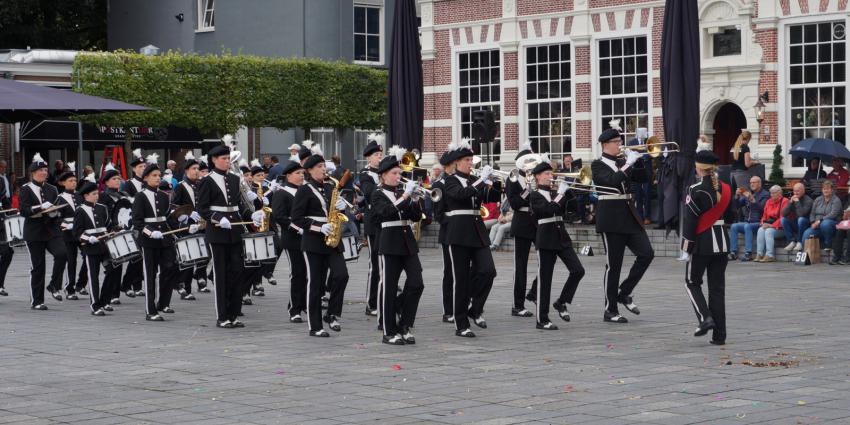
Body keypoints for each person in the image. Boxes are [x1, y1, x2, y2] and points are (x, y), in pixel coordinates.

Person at [196, 139, 262, 329]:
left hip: (234, 230)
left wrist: (252, 215)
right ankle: (222, 316)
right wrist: (217, 218)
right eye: (224, 158)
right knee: (221, 274)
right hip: (217, 232)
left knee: (237, 272)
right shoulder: (206, 181)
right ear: (214, 160)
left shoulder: (234, 179)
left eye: (228, 158)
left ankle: (234, 313)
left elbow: (239, 206)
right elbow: (202, 208)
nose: (227, 161)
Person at [591, 128, 653, 324]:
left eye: (620, 141)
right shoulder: (597, 165)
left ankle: (623, 292)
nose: (620, 144)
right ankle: (610, 310)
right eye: (616, 141)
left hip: (629, 216)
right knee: (614, 266)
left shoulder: (621, 162)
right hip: (611, 218)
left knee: (646, 254)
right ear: (605, 144)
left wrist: (640, 161)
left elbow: (643, 179)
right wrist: (628, 164)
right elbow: (611, 181)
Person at [291, 145, 350, 337]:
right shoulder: (304, 190)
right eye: (319, 167)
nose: (324, 169)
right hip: (314, 240)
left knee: (342, 275)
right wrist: (318, 227)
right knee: (315, 283)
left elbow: (334, 210)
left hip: (332, 239)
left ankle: (332, 313)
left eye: (324, 166)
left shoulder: (330, 187)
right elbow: (297, 219)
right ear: (309, 170)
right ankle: (315, 326)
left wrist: (342, 208)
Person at [442, 138, 497, 337]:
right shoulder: (449, 180)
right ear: (457, 162)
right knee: (461, 279)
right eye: (466, 160)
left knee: (488, 271)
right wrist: (481, 181)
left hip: (477, 231)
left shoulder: (475, 180)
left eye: (471, 160)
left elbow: (490, 199)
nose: (470, 163)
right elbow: (460, 195)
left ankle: (475, 308)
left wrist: (493, 184)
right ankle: (461, 323)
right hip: (458, 232)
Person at [371, 154, 425, 345]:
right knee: (389, 287)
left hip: (407, 241)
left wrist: (416, 200)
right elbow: (385, 213)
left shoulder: (402, 193)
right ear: (383, 175)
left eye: (399, 173)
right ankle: (389, 331)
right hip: (389, 241)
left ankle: (405, 324)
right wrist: (405, 196)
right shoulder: (378, 194)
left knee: (417, 282)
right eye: (394, 173)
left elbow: (416, 217)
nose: (398, 176)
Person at [680, 150, 731, 346]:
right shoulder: (726, 187)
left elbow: (690, 220)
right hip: (722, 242)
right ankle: (720, 336)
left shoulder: (695, 188)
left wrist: (686, 247)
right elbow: (732, 215)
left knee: (691, 282)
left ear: (698, 167)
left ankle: (704, 318)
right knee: (717, 289)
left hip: (702, 243)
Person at [529, 156, 585, 330]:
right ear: (537, 177)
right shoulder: (534, 195)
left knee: (578, 270)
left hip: (561, 236)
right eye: (546, 173)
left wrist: (569, 191)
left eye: (550, 173)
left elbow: (572, 209)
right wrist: (561, 193)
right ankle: (542, 319)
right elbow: (547, 211)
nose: (549, 176)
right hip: (545, 238)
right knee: (545, 280)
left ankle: (561, 302)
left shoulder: (555, 193)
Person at [132, 154, 181, 322]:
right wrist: (149, 232)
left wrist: (180, 225)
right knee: (150, 274)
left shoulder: (162, 196)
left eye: (159, 176)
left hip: (164, 238)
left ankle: (163, 303)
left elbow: (167, 217)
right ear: (145, 178)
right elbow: (137, 222)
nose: (158, 178)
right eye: (154, 176)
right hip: (149, 240)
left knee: (170, 267)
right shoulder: (140, 196)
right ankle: (150, 310)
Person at [20, 153, 68, 310]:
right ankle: (37, 300)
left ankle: (54, 284)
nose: (44, 173)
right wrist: (40, 207)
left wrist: (55, 212)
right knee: (38, 266)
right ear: (33, 172)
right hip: (34, 231)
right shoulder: (26, 189)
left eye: (46, 170)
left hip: (51, 229)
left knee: (62, 254)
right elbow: (24, 210)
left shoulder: (52, 188)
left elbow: (56, 209)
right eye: (41, 170)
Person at [272, 160, 308, 323]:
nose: (301, 176)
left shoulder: (305, 191)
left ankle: (304, 303)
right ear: (288, 175)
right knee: (297, 272)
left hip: (308, 236)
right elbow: (279, 217)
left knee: (308, 273)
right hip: (292, 238)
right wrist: (297, 228)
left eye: (302, 173)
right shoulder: (282, 192)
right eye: (298, 173)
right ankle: (294, 308)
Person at [73, 177, 113, 316]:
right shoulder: (80, 210)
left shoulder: (103, 208)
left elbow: (108, 225)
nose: (97, 196)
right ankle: (95, 305)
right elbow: (77, 232)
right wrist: (88, 238)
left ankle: (104, 300)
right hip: (90, 248)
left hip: (105, 246)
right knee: (93, 276)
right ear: (86, 195)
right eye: (94, 194)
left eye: (97, 193)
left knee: (112, 271)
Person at [171, 151, 204, 301]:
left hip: (200, 225)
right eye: (193, 169)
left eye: (198, 168)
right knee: (189, 257)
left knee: (198, 256)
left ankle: (182, 283)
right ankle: (183, 285)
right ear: (186, 171)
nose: (196, 171)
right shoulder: (181, 186)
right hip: (186, 226)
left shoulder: (200, 185)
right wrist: (185, 215)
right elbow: (174, 206)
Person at [357, 134, 383, 317]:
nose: (379, 157)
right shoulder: (366, 174)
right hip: (373, 222)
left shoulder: (385, 172)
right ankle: (371, 302)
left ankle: (383, 297)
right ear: (368, 157)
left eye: (381, 155)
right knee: (374, 264)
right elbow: (369, 193)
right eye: (376, 155)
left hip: (387, 222)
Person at [55, 163, 88, 300]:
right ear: (63, 183)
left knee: (88, 256)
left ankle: (81, 284)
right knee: (71, 260)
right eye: (70, 181)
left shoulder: (80, 196)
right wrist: (65, 225)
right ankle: (70, 288)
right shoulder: (60, 198)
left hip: (80, 231)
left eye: (75, 180)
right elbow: (56, 217)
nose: (74, 183)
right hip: (67, 233)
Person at [98, 163, 128, 306]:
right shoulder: (102, 197)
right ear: (107, 181)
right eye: (115, 178)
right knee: (111, 266)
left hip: (121, 233)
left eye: (119, 178)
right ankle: (106, 297)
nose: (118, 181)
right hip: (108, 234)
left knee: (119, 264)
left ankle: (115, 294)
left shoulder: (124, 195)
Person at [431, 152, 454, 323]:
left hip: (467, 233)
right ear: (449, 165)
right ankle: (449, 310)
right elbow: (438, 215)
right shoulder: (440, 184)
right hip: (449, 233)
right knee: (450, 272)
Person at [120, 148, 147, 298]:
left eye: (144, 166)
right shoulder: (128, 184)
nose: (143, 169)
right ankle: (127, 284)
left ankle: (136, 285)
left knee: (142, 257)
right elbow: (125, 203)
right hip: (133, 223)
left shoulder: (147, 183)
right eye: (140, 167)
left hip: (145, 222)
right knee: (135, 256)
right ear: (134, 169)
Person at [729, 176, 769, 261]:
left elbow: (763, 210)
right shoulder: (748, 193)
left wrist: (753, 200)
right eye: (750, 183)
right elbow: (736, 206)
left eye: (754, 182)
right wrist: (736, 196)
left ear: (759, 183)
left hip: (759, 222)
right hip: (747, 222)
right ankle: (733, 252)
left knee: (747, 226)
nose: (752, 184)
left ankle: (748, 253)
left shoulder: (765, 194)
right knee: (734, 226)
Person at [802, 180, 842, 252]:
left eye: (828, 189)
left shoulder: (836, 200)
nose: (825, 190)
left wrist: (819, 221)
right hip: (817, 225)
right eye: (824, 189)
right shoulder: (818, 199)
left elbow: (833, 214)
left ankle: (828, 244)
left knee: (825, 223)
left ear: (832, 190)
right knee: (806, 233)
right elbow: (812, 213)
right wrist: (813, 222)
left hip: (832, 224)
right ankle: (804, 253)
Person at [754, 185, 788, 263]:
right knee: (760, 230)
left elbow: (783, 218)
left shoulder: (785, 201)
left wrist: (771, 226)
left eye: (773, 193)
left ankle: (770, 255)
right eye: (771, 193)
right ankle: (760, 254)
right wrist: (763, 223)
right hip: (769, 225)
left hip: (780, 228)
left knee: (768, 231)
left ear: (779, 193)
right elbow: (764, 215)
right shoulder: (769, 201)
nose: (771, 195)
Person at [781, 182, 814, 252]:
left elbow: (801, 214)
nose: (795, 193)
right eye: (794, 191)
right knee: (783, 220)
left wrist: (797, 202)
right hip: (797, 223)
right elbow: (783, 213)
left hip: (807, 224)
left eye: (797, 191)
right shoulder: (793, 199)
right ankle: (792, 241)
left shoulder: (808, 200)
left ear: (803, 191)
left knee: (801, 219)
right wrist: (790, 203)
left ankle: (799, 242)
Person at [0, 161, 13, 297]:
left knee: (7, 252)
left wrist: (11, 212)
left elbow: (4, 199)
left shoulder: (1, 181)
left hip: (1, 221)